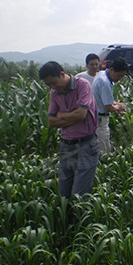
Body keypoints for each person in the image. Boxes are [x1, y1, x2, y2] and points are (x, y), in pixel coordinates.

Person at [39, 61, 100, 198]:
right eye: (49, 85)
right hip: (66, 145)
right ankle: (67, 219)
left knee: (80, 194)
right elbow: (51, 121)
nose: (52, 87)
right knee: (64, 193)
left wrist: (61, 115)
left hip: (86, 145)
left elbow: (81, 114)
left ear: (62, 74)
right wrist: (71, 116)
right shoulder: (54, 93)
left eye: (53, 83)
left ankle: (81, 219)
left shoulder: (82, 85)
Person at [92, 57, 129, 153]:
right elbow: (108, 107)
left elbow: (103, 99)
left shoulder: (102, 74)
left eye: (122, 76)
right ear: (112, 69)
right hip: (100, 119)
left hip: (94, 116)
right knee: (103, 148)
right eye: (119, 76)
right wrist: (119, 107)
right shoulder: (105, 83)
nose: (119, 79)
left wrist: (115, 104)